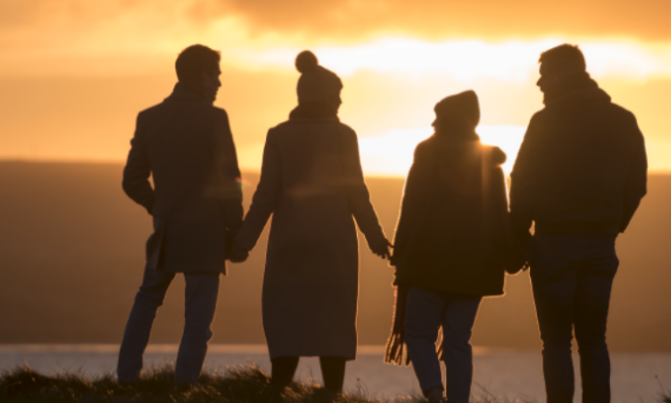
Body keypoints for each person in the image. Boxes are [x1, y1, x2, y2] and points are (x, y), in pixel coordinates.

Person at [229, 50, 391, 393]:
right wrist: (375, 239)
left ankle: (278, 389)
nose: (340, 101)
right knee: (334, 317)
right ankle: (332, 393)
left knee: (286, 314)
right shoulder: (344, 135)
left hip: (289, 242)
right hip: (335, 245)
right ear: (325, 95)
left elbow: (265, 196)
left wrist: (243, 242)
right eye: (337, 94)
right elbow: (357, 194)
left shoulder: (278, 135)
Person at [510, 44, 648, 403]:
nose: (539, 83)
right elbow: (637, 185)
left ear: (559, 74)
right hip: (601, 244)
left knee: (555, 340)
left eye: (543, 75)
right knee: (593, 339)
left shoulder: (545, 121)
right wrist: (613, 225)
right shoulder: (624, 119)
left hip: (553, 243)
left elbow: (522, 180)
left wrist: (516, 234)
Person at [117, 44, 243, 387]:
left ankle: (126, 379)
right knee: (198, 320)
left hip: (167, 230)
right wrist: (238, 230)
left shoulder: (149, 118)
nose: (219, 83)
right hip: (207, 234)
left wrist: (158, 206)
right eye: (216, 75)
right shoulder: (215, 118)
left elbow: (132, 180)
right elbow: (229, 180)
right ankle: (184, 386)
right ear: (202, 76)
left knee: (146, 302)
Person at [384, 90, 510, 403]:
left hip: (429, 263)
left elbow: (411, 204)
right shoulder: (488, 158)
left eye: (438, 116)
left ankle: (434, 395)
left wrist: (400, 252)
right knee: (458, 341)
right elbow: (499, 212)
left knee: (418, 333)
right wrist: (508, 255)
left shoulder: (428, 151)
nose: (433, 122)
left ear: (447, 118)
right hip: (476, 268)